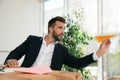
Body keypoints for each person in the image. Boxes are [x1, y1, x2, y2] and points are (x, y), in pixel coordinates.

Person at [4, 16, 111, 70]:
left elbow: (77, 63)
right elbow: (16, 52)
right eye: (60, 28)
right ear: (51, 29)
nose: (63, 31)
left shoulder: (61, 50)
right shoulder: (32, 40)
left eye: (64, 28)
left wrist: (99, 53)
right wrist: (10, 60)